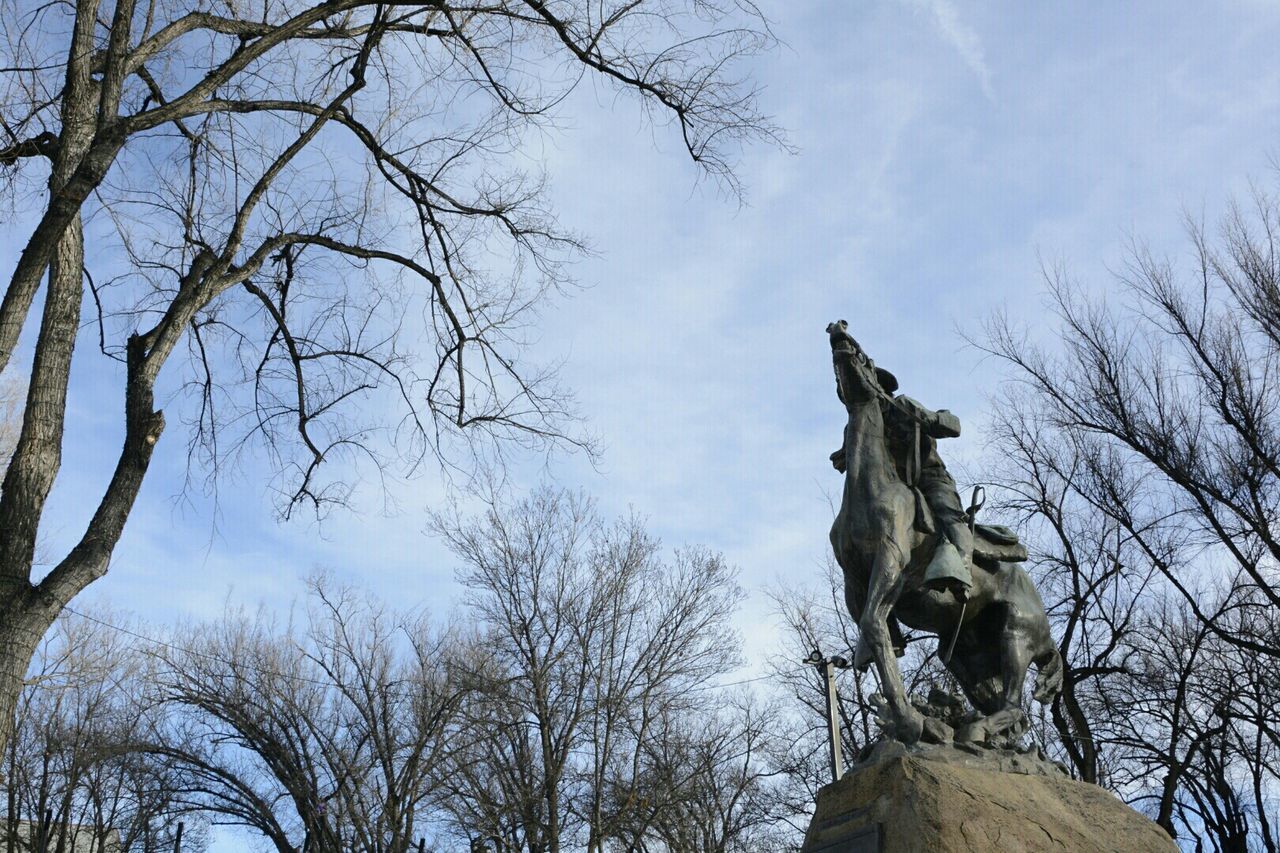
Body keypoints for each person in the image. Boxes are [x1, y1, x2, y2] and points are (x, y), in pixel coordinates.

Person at [830, 361, 973, 595]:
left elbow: (952, 426)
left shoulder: (904, 405)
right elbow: (850, 459)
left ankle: (962, 572)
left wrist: (929, 418)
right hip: (890, 488)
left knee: (950, 516)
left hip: (928, 478)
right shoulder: (861, 423)